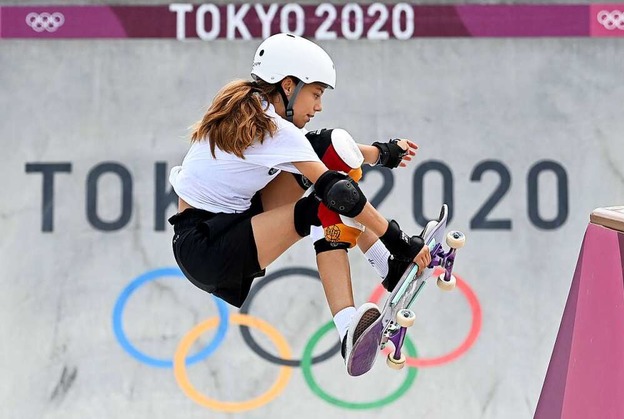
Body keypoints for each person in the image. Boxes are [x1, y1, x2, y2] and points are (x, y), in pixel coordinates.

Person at [168, 33, 431, 376]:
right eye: (316, 94)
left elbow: (323, 150)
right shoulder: (270, 128)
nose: (319, 106)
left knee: (329, 149)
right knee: (328, 204)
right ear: (289, 86)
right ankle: (348, 326)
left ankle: (391, 269)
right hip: (207, 248)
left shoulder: (255, 112)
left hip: (232, 220)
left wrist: (382, 153)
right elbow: (336, 191)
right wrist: (399, 241)